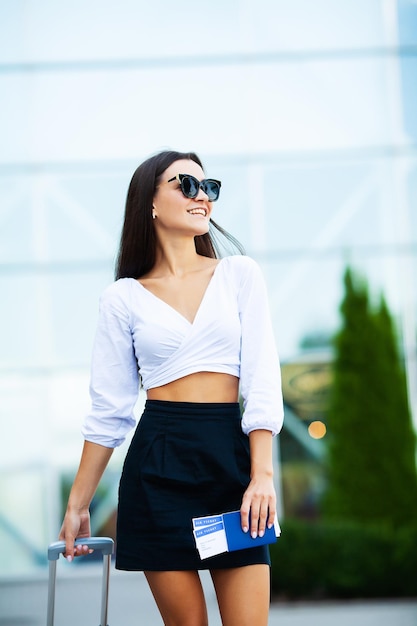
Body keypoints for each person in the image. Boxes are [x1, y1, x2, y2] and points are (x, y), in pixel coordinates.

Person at [59, 150, 284, 626]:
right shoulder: (122, 297)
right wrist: (78, 505)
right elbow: (109, 412)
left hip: (231, 465)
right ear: (151, 203)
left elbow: (263, 383)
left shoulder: (240, 275)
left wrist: (261, 474)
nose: (201, 195)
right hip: (157, 471)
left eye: (209, 187)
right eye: (186, 184)